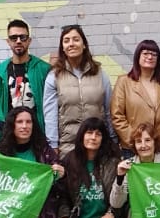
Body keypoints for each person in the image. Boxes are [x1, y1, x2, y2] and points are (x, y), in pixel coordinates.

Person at [0, 106, 65, 218]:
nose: (24, 126)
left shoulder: (44, 150)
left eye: (28, 122)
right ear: (12, 125)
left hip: (41, 212)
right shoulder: (1, 153)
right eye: (20, 122)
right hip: (12, 212)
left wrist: (60, 174)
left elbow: (58, 188)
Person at [56, 117, 122, 218]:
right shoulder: (70, 160)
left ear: (103, 138)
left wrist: (111, 212)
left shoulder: (112, 162)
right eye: (89, 133)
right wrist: (63, 217)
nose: (93, 137)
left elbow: (120, 193)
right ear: (82, 136)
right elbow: (62, 195)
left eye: (98, 134)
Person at [43, 24, 112, 156]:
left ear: (84, 44)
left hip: (96, 143)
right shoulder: (54, 76)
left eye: (76, 39)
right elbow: (50, 115)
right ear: (62, 48)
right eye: (66, 40)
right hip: (69, 146)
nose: (71, 44)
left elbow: (109, 109)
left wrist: (113, 138)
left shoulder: (99, 74)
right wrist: (53, 145)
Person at [111, 39, 160, 154]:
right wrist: (133, 138)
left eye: (154, 54)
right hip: (133, 148)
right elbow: (117, 115)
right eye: (145, 53)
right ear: (137, 56)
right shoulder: (124, 82)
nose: (150, 57)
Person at [0, 19, 51, 117]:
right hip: (9, 130)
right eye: (14, 38)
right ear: (8, 42)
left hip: (37, 130)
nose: (18, 41)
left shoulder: (44, 69)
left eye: (22, 37)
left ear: (29, 41)